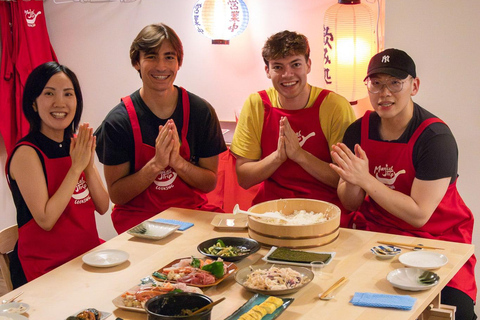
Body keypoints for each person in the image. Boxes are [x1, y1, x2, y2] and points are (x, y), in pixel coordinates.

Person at [330, 48, 476, 319]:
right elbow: (350, 202)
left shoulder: (435, 138)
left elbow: (419, 215)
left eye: (395, 83)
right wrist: (352, 181)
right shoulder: (357, 131)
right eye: (376, 83)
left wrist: (365, 179)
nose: (384, 93)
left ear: (414, 85)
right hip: (376, 237)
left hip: (437, 241)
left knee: (458, 312)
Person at [95, 23, 226, 234]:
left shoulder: (201, 111)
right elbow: (117, 195)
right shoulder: (118, 121)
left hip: (192, 215)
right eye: (151, 57)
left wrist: (178, 163)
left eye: (169, 57)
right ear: (137, 62)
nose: (161, 66)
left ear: (179, 62)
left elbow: (209, 183)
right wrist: (156, 164)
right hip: (140, 222)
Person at [230, 30, 355, 226]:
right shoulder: (257, 104)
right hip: (271, 213)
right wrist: (278, 157)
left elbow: (347, 181)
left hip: (325, 214)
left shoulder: (334, 106)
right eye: (278, 67)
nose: (287, 75)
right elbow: (244, 178)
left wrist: (299, 155)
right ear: (267, 70)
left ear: (308, 65)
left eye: (295, 64)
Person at [6, 61, 109, 288]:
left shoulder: (75, 144)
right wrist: (75, 168)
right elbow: (45, 219)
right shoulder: (27, 152)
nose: (60, 103)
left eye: (68, 94)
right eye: (49, 93)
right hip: (46, 269)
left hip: (87, 257)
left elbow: (103, 206)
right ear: (33, 103)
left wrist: (88, 165)